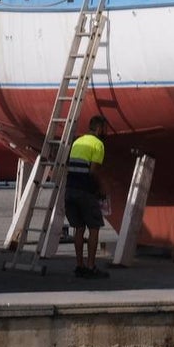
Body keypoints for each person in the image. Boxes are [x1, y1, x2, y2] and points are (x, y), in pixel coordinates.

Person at [64, 115, 109, 279]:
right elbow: (93, 171)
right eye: (105, 128)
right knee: (94, 228)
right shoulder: (98, 144)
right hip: (85, 192)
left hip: (70, 190)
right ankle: (91, 267)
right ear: (98, 128)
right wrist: (102, 188)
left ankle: (79, 266)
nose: (106, 132)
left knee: (79, 229)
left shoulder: (78, 141)